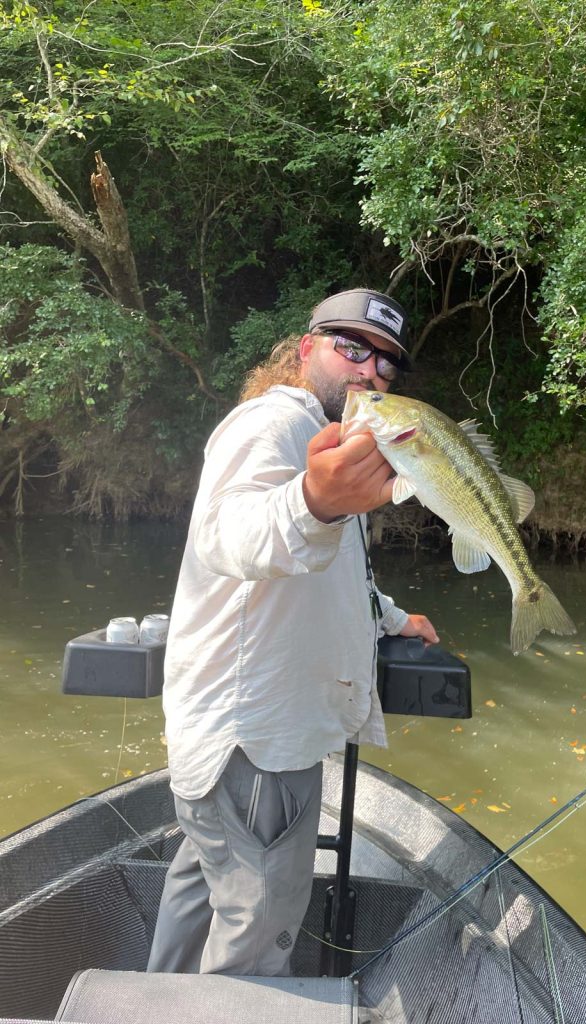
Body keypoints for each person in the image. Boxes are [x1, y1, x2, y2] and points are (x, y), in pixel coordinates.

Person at [147, 288, 439, 978]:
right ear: (306, 348)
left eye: (387, 364)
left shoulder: (337, 440)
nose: (370, 371)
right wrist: (314, 501)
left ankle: (153, 1000)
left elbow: (333, 572)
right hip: (257, 750)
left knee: (199, 901)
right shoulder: (272, 423)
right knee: (257, 934)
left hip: (236, 750)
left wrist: (392, 618)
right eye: (353, 347)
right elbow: (230, 534)